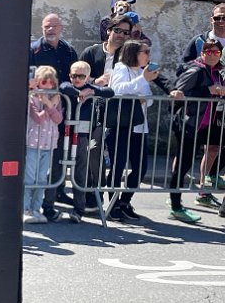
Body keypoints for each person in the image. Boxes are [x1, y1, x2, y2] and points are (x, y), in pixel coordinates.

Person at [167, 38, 225, 224]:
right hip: (189, 124)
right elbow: (179, 92)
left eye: (216, 52)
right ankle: (176, 207)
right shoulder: (196, 70)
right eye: (208, 51)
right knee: (182, 166)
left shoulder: (215, 71)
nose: (212, 55)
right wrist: (209, 90)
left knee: (186, 164)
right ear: (202, 53)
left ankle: (182, 201)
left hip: (203, 124)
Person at [106, 40, 161, 221]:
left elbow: (149, 100)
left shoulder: (141, 72)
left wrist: (141, 87)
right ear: (134, 53)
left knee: (141, 168)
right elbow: (117, 90)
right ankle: (113, 205)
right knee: (118, 166)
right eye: (145, 52)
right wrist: (142, 82)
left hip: (139, 126)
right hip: (121, 126)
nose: (148, 55)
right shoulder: (121, 68)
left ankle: (125, 202)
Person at [30, 13, 78, 214]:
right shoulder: (33, 49)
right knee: (35, 161)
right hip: (37, 113)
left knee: (59, 154)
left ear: (61, 28)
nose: (50, 30)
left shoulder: (69, 50)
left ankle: (53, 196)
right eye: (46, 27)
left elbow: (73, 78)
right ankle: (31, 203)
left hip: (61, 110)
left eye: (54, 26)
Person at [59, 61, 115, 223]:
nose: (76, 79)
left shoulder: (91, 89)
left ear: (88, 77)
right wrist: (80, 92)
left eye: (81, 76)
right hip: (63, 134)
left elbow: (109, 92)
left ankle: (79, 209)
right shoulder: (68, 86)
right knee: (56, 171)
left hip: (82, 136)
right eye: (73, 75)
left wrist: (92, 90)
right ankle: (48, 207)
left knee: (80, 172)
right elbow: (64, 87)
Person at [24, 66, 63, 224]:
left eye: (51, 82)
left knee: (41, 179)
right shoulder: (31, 97)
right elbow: (38, 118)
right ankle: (25, 209)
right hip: (33, 143)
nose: (48, 85)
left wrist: (50, 104)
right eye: (44, 82)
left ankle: (36, 208)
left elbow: (58, 119)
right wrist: (48, 105)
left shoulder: (57, 98)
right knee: (29, 178)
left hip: (48, 144)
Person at [80, 15, 133, 87]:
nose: (121, 35)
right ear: (109, 31)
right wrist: (94, 81)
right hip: (93, 93)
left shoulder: (130, 55)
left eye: (126, 32)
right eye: (117, 30)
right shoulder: (91, 52)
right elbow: (77, 74)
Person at [181, 3, 225, 70]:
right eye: (217, 18)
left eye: (224, 18)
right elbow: (184, 67)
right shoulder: (198, 41)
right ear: (211, 20)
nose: (221, 21)